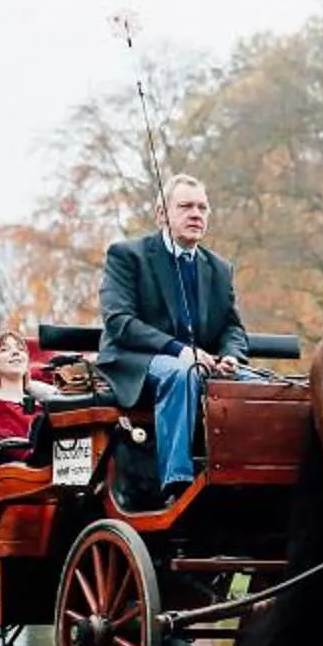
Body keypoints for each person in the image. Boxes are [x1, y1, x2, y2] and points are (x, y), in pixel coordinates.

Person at [97, 174, 248, 505]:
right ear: (161, 214)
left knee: (262, 387)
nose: (196, 214)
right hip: (133, 361)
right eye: (185, 206)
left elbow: (232, 329)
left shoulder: (219, 268)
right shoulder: (128, 255)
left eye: (202, 208)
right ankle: (176, 483)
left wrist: (232, 356)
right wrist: (179, 351)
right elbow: (119, 322)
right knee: (183, 374)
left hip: (202, 362)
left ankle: (246, 479)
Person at [0, 330, 57, 454]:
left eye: (20, 349)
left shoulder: (41, 401)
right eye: (4, 350)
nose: (15, 353)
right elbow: (17, 451)